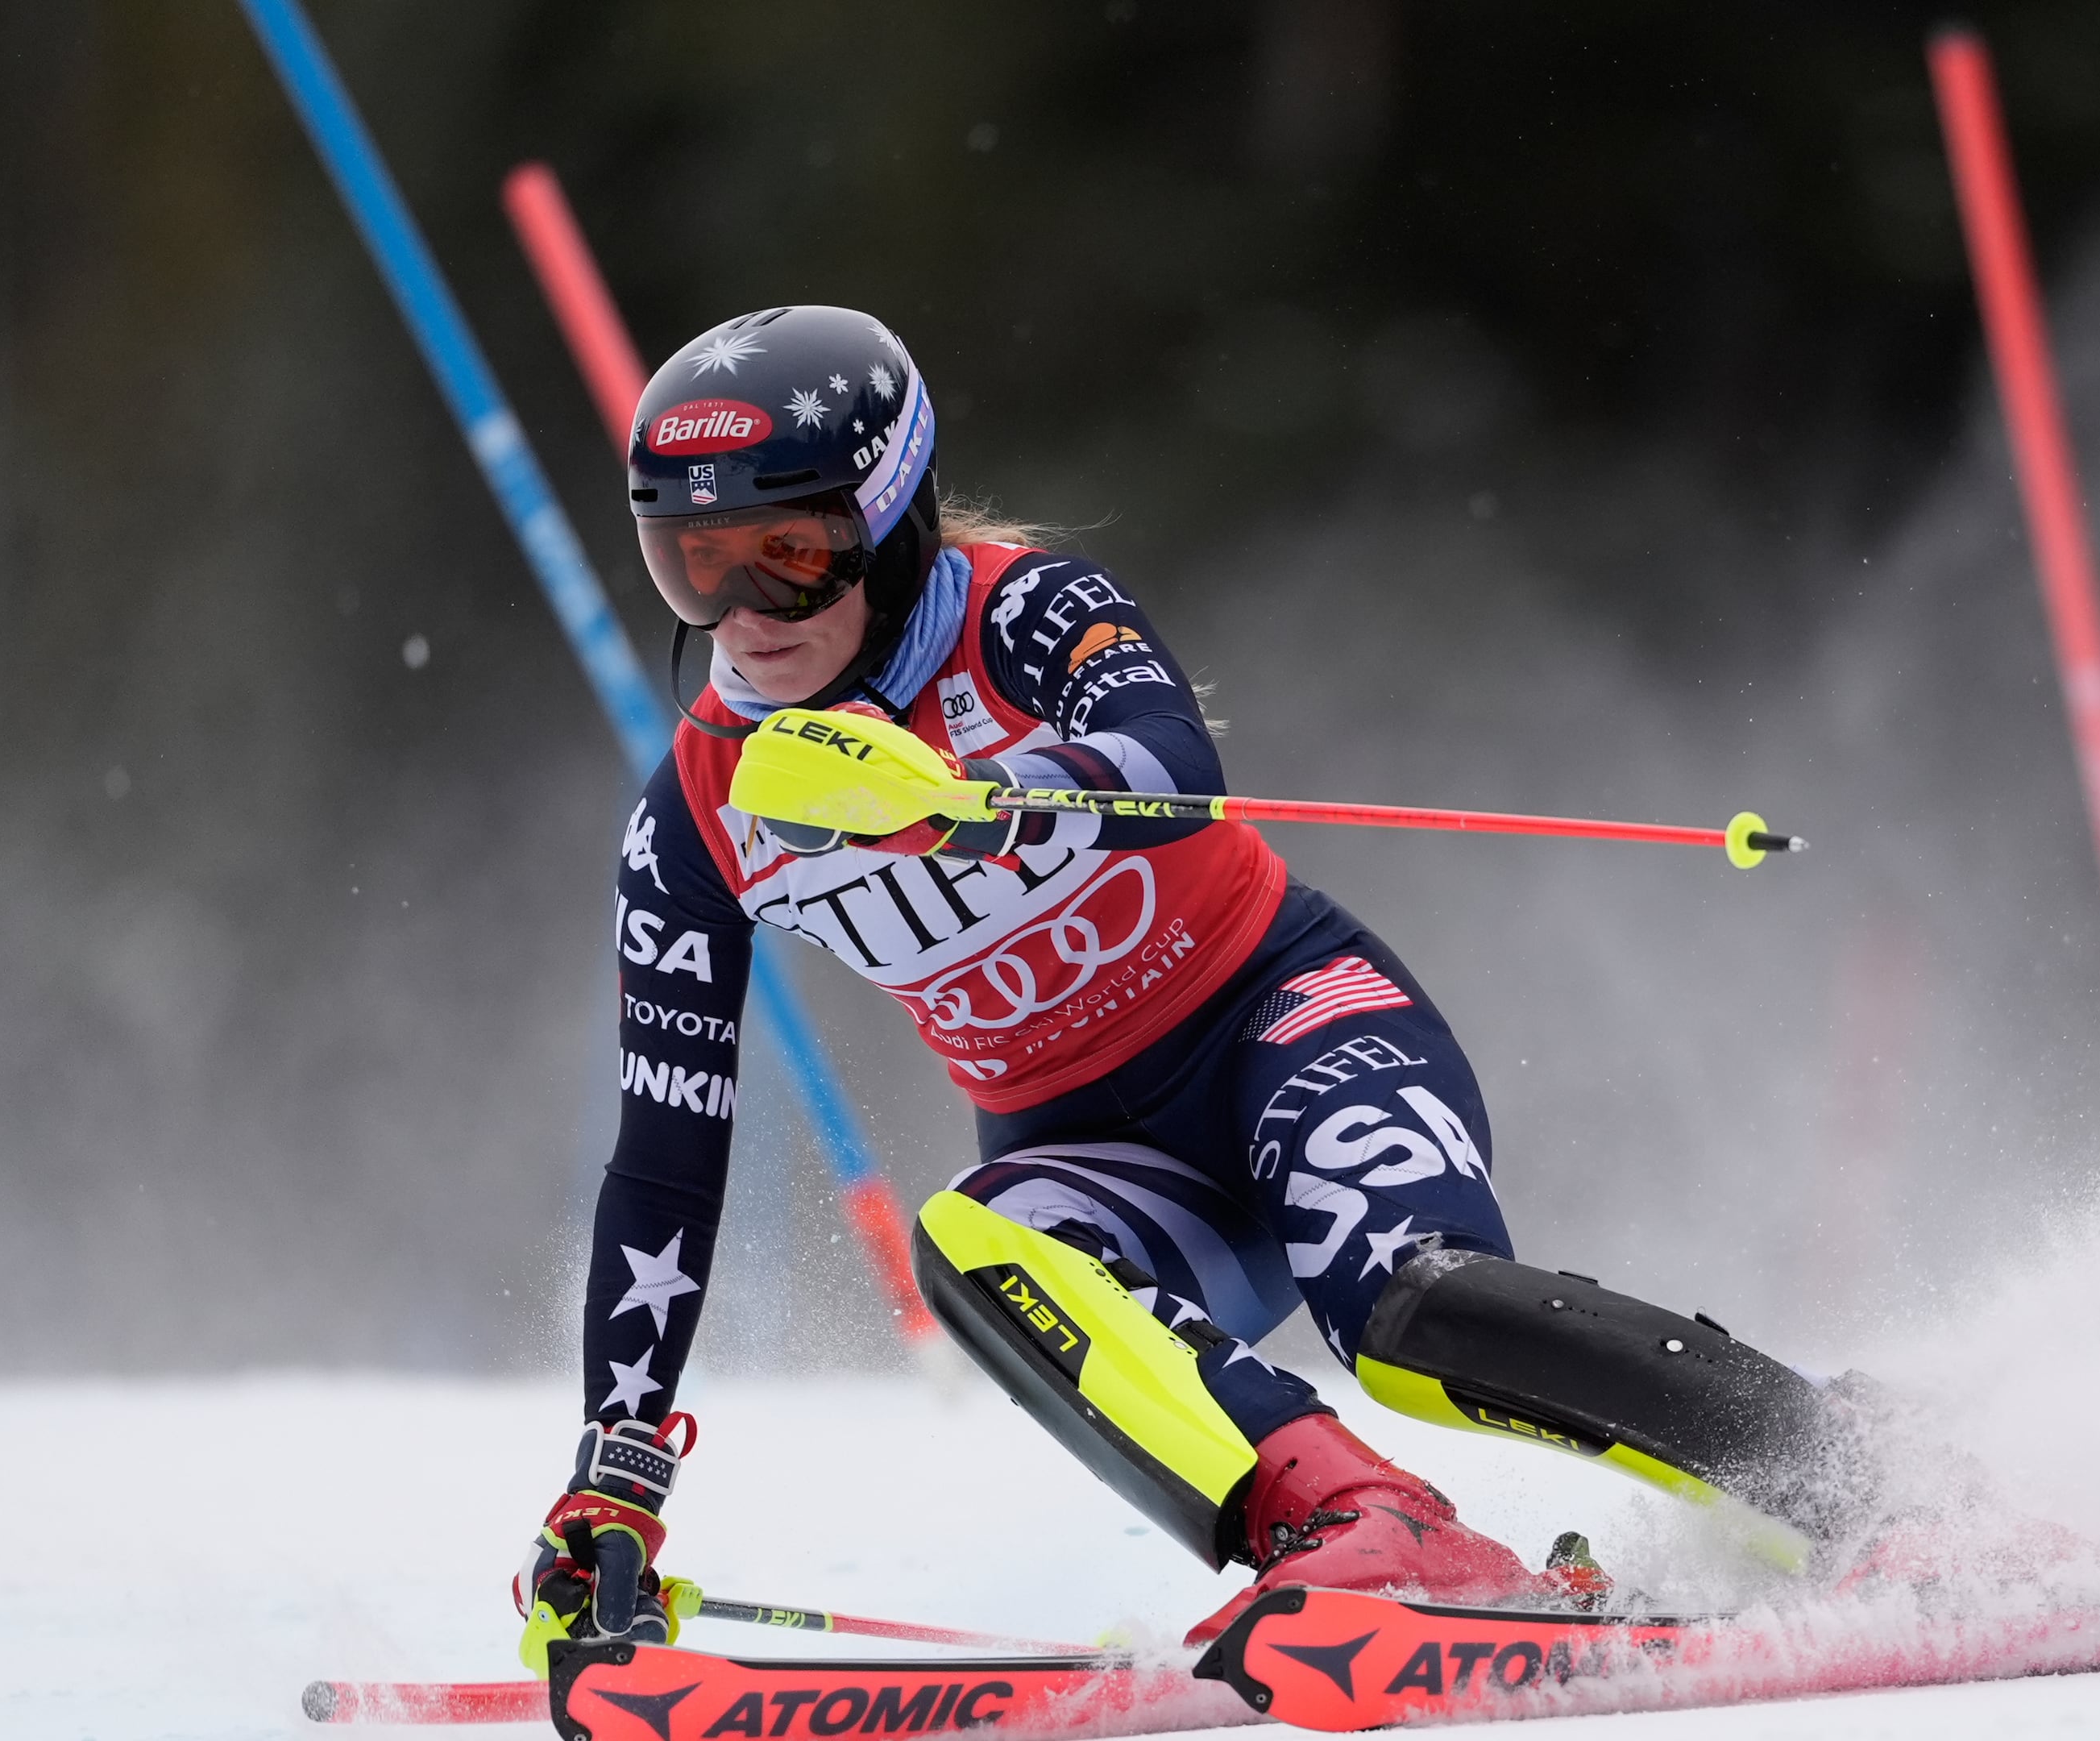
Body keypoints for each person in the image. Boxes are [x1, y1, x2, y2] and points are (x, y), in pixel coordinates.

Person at [513, 307, 1863, 1672]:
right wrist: (615, 1474)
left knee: (1403, 1317)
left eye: (790, 558)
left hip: (1282, 1022)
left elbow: (1168, 761)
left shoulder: (1024, 611)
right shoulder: (693, 817)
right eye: (695, 569)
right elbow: (670, 1164)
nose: (744, 620)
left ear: (895, 521)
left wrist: (985, 806)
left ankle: (1839, 1471)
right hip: (1097, 1158)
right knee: (978, 1247)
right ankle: (1365, 1526)